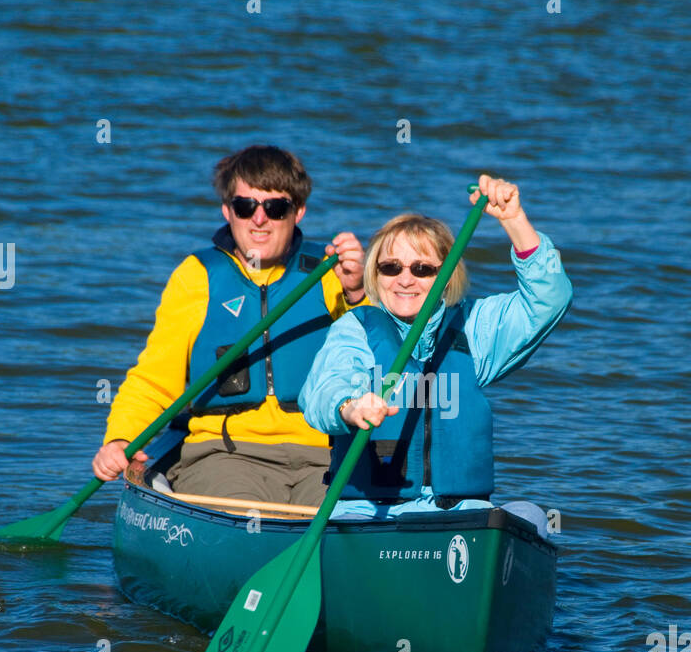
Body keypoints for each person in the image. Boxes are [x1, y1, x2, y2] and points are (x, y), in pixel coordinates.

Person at [92, 145, 366, 506]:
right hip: (225, 455)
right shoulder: (196, 277)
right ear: (227, 211)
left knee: (336, 517)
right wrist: (120, 438)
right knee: (251, 518)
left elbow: (378, 359)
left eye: (275, 207)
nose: (259, 219)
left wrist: (359, 293)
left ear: (298, 211)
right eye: (245, 206)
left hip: (323, 456)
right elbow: (154, 379)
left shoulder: (331, 273)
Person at [299, 174, 571, 521]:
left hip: (460, 511)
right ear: (375, 273)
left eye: (423, 269)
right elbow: (322, 391)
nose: (405, 279)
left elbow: (550, 300)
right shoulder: (355, 329)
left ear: (446, 276)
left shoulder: (474, 328)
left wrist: (514, 221)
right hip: (369, 512)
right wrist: (349, 407)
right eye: (391, 267)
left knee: (531, 517)